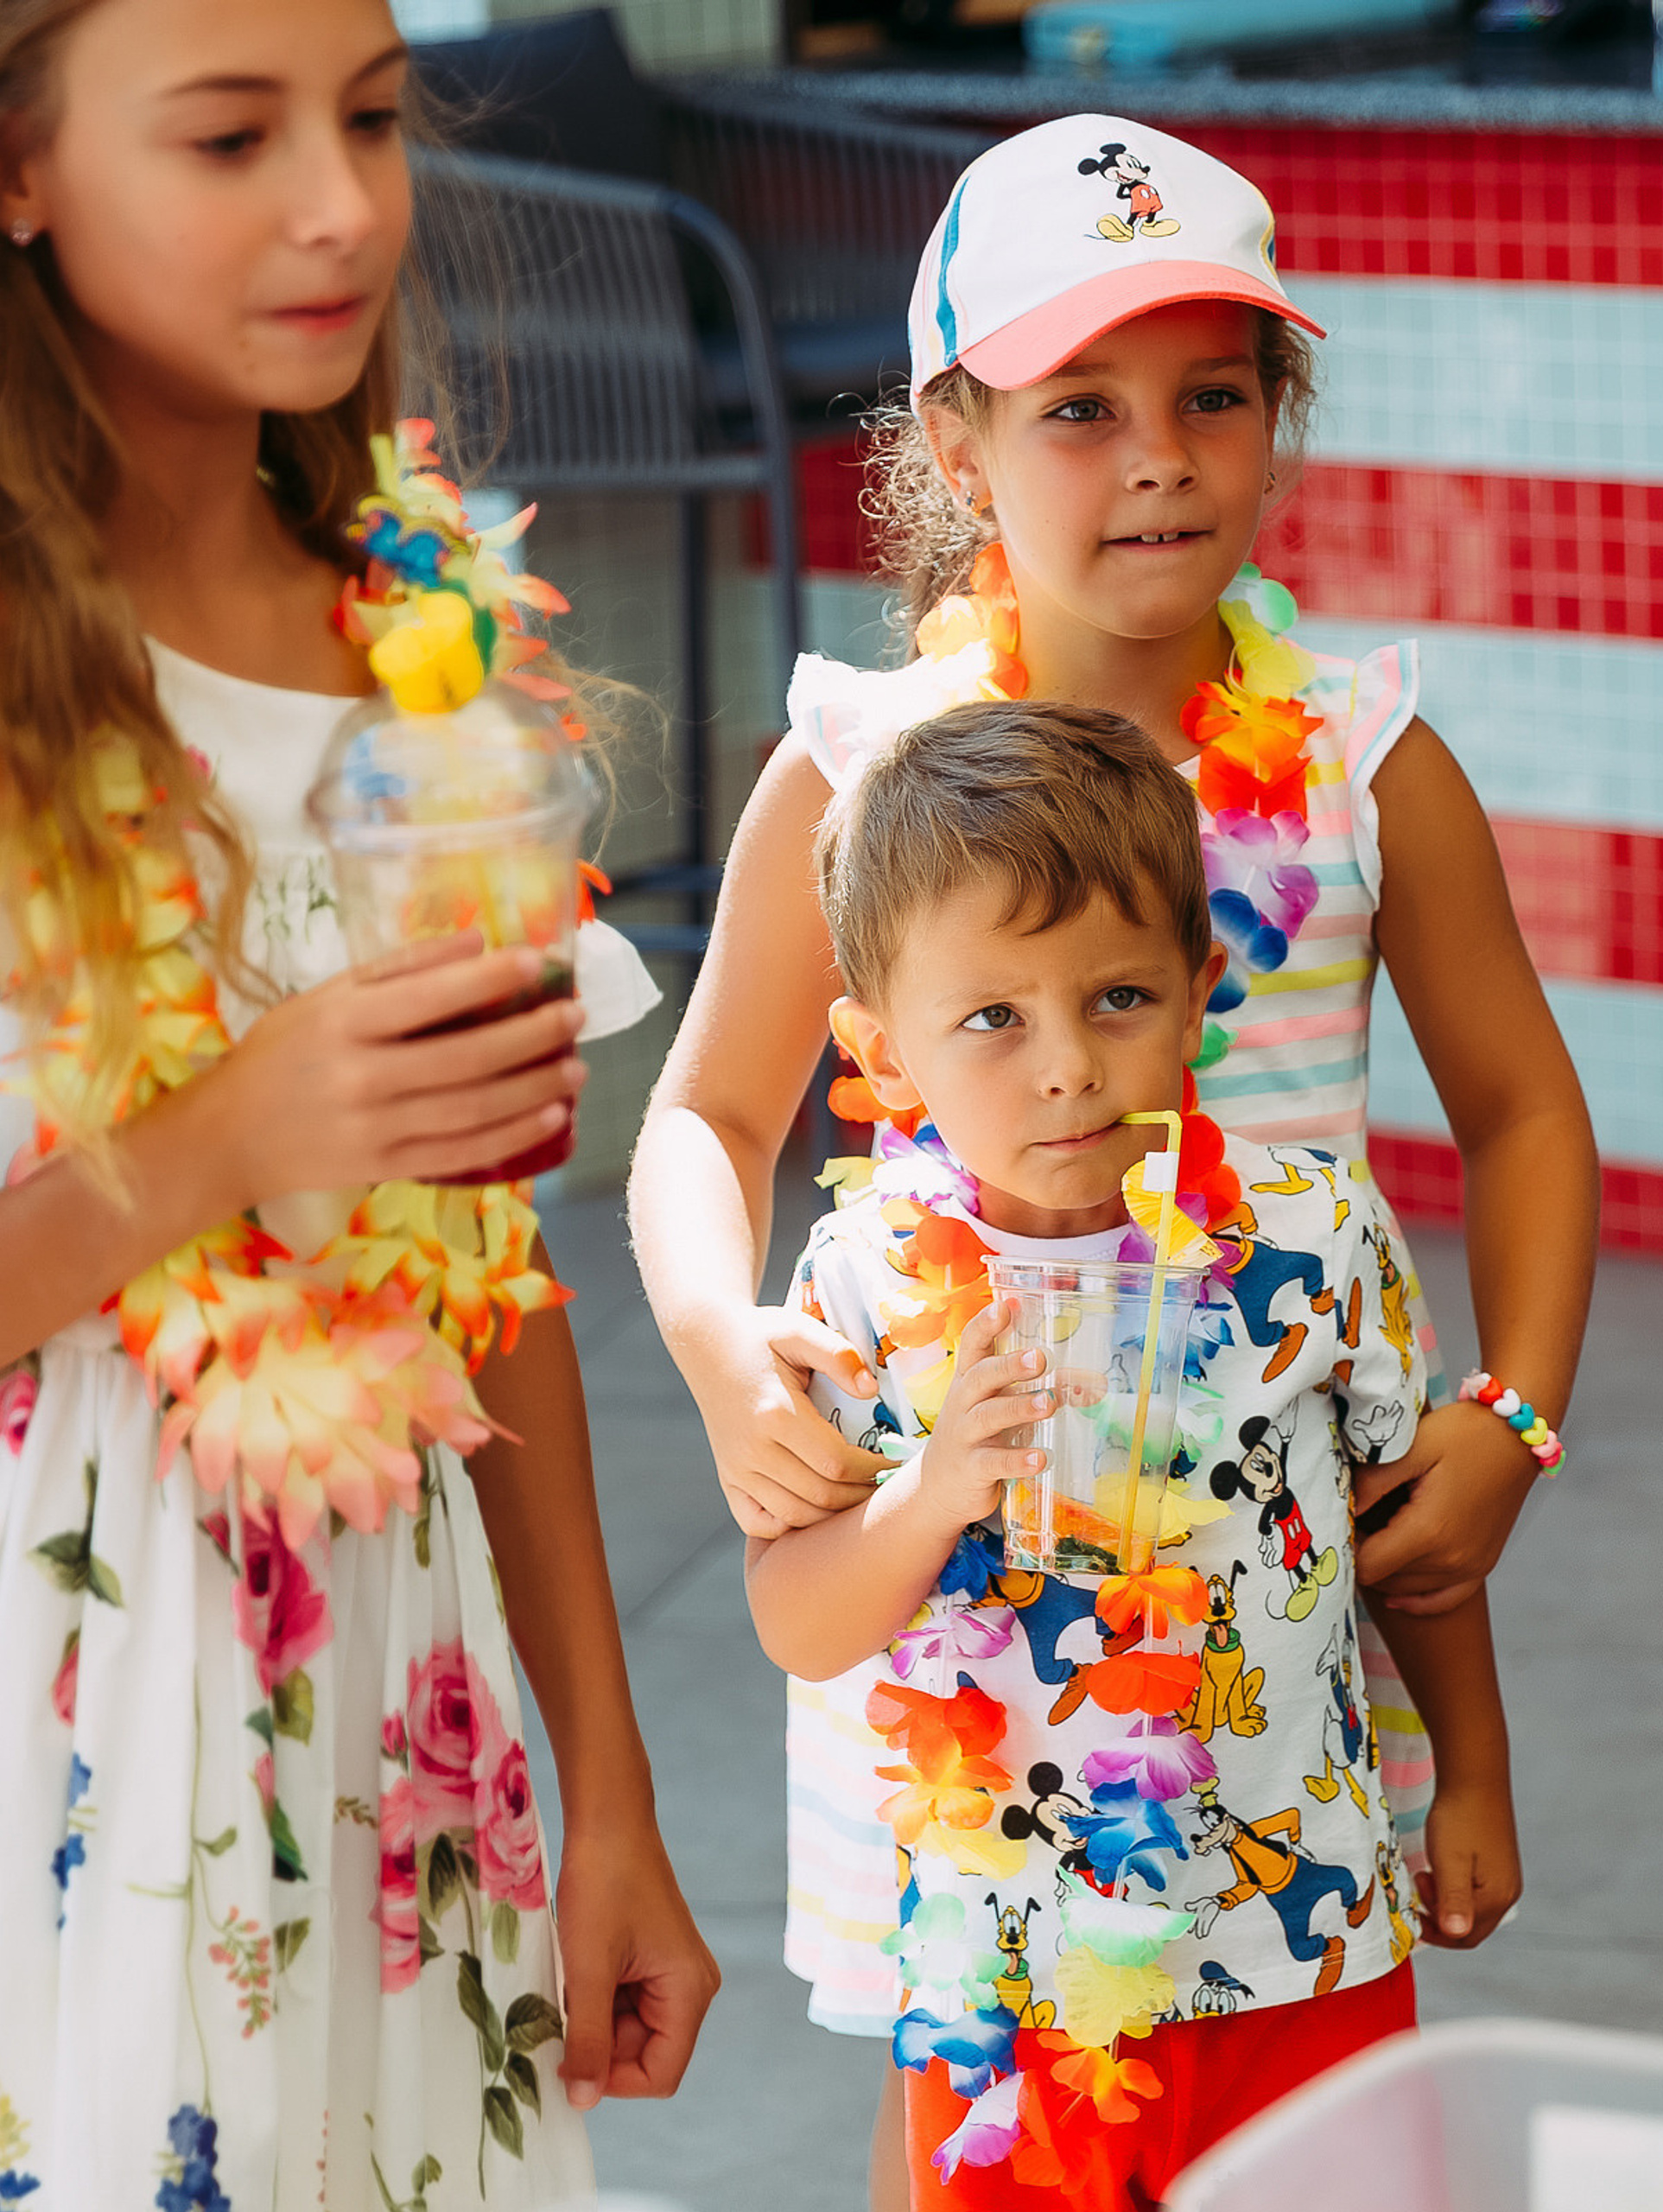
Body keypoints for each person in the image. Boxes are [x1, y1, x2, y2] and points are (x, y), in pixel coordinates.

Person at [626, 109, 1596, 2208]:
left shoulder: (1359, 760)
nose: (1156, 453)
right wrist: (725, 1352)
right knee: (985, 2118)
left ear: (1275, 419)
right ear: (958, 448)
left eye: (1210, 397)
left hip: (1272, 1549)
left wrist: (1512, 1405)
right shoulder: (864, 768)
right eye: (1078, 408)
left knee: (1302, 2089)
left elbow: (1519, 1106)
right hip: (964, 1609)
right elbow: (704, 1115)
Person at [0, 2, 718, 2204]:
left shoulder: (415, 648)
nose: (340, 205)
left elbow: (486, 1283)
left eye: (375, 119)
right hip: (60, 1697)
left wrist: (610, 1785)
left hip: (389, 1694)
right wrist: (224, 1137)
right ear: (19, 169)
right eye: (229, 137)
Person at [748, 696, 1521, 2209]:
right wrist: (928, 1494)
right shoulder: (869, 1282)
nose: (1065, 1068)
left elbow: (1410, 1537)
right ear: (879, 1044)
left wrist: (1475, 1774)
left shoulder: (1313, 1232)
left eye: (1116, 999)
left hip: (1306, 1942)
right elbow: (799, 1618)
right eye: (992, 1017)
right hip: (1014, 1989)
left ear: (1201, 987)